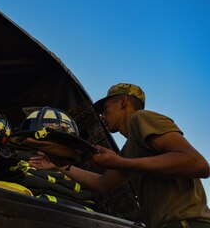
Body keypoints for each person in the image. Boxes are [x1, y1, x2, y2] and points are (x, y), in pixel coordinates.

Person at [29, 83, 210, 228]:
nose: (102, 116)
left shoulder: (142, 118)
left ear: (123, 102)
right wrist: (60, 165)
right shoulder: (129, 149)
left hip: (188, 223)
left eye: (106, 108)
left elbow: (197, 164)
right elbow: (103, 183)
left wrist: (120, 162)